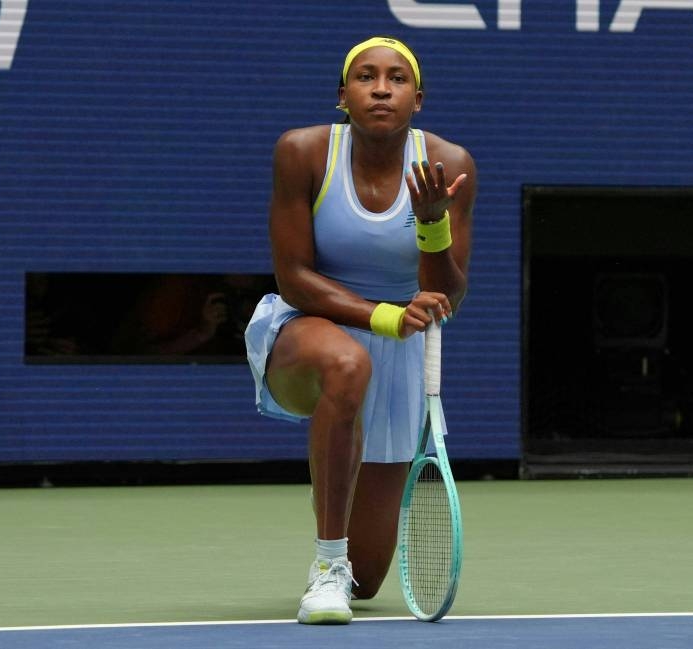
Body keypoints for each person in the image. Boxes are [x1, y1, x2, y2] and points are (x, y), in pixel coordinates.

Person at [245, 35, 476, 624]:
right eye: (366, 77)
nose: (380, 88)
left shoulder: (450, 165)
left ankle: (345, 565)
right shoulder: (302, 152)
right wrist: (384, 316)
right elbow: (294, 276)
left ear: (417, 99)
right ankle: (325, 568)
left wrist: (431, 228)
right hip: (309, 331)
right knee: (348, 365)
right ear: (342, 95)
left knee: (368, 578)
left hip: (399, 349)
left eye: (396, 80)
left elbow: (448, 294)